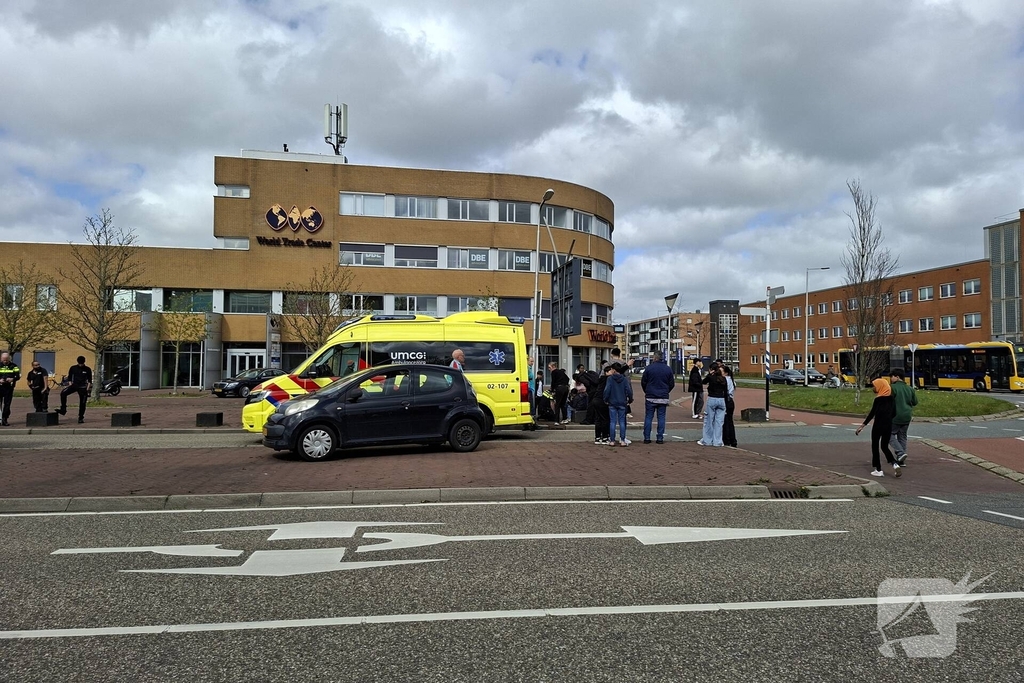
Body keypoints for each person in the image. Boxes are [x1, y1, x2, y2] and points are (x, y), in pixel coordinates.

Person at [855, 375, 901, 478]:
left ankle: (878, 469)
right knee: (884, 446)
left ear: (880, 387)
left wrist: (862, 425)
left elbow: (872, 414)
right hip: (888, 425)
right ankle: (895, 464)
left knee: (875, 446)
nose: (873, 388)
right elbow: (894, 413)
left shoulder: (878, 400)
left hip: (878, 425)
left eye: (875, 386)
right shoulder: (891, 399)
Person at [640, 350, 674, 444]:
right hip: (663, 396)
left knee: (648, 417)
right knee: (661, 417)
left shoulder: (649, 368)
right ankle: (660, 438)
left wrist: (647, 391)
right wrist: (666, 391)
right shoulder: (668, 369)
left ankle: (647, 438)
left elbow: (643, 382)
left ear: (654, 358)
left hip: (650, 396)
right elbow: (671, 383)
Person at [888, 367, 918, 466]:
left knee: (889, 434)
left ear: (897, 377)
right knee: (902, 436)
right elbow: (915, 402)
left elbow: (888, 401)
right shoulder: (910, 388)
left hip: (895, 416)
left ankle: (900, 453)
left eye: (892, 377)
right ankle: (901, 460)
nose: (891, 379)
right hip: (907, 415)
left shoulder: (893, 388)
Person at [56, 356, 93, 424]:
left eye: (81, 363)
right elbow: (70, 377)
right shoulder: (73, 368)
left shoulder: (87, 369)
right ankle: (63, 409)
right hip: (74, 385)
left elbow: (89, 380)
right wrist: (70, 384)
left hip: (83, 387)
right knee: (63, 393)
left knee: (82, 403)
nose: (80, 365)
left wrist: (87, 389)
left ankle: (81, 417)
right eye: (80, 363)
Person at [698, 362, 728, 447]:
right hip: (721, 399)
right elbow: (726, 391)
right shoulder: (723, 379)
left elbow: (703, 382)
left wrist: (709, 375)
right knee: (719, 422)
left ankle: (707, 440)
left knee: (709, 421)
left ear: (711, 370)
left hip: (712, 398)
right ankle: (717, 441)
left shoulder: (711, 378)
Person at [603, 362, 633, 447]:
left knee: (612, 421)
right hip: (622, 402)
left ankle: (612, 440)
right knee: (622, 422)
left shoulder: (610, 379)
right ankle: (622, 440)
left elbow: (607, 390)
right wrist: (630, 399)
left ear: (614, 370)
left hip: (612, 402)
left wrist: (605, 399)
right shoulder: (624, 379)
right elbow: (629, 391)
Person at [592, 365, 612, 445]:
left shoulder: (600, 379)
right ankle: (605, 437)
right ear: (606, 372)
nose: (613, 373)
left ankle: (597, 437)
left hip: (595, 400)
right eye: (611, 371)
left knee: (598, 419)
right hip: (602, 400)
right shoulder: (608, 379)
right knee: (605, 419)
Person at [0, 351, 21, 426]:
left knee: (7, 404)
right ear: (1, 359)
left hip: (9, 387)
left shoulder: (14, 366)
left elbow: (18, 376)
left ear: (9, 359)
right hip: (0, 386)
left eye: (6, 359)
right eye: (4, 359)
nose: (5, 361)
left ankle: (5, 419)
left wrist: (12, 379)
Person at [722, 364, 738, 448]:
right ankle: (733, 440)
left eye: (721, 372)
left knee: (725, 421)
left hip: (726, 401)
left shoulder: (725, 380)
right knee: (730, 421)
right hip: (731, 401)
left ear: (725, 373)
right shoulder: (731, 380)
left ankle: (726, 440)